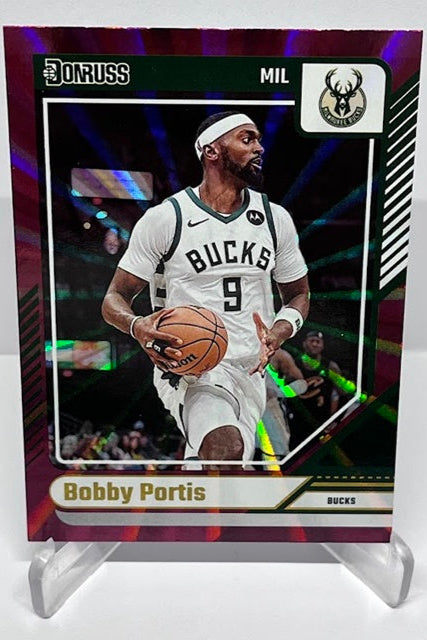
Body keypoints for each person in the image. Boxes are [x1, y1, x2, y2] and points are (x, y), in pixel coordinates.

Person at [102, 111, 309, 467]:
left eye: (258, 140)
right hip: (191, 365)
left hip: (252, 369)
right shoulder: (167, 218)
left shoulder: (275, 219)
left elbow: (299, 295)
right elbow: (113, 299)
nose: (259, 148)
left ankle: (189, 495)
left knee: (222, 468)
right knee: (224, 450)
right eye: (247, 139)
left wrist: (279, 331)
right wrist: (137, 326)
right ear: (212, 151)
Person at [288, 330, 344, 450]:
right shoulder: (293, 365)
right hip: (298, 420)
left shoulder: (331, 366)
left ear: (322, 346)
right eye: (311, 341)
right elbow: (285, 393)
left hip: (322, 420)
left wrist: (334, 419)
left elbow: (339, 393)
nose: (314, 344)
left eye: (318, 341)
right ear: (304, 343)